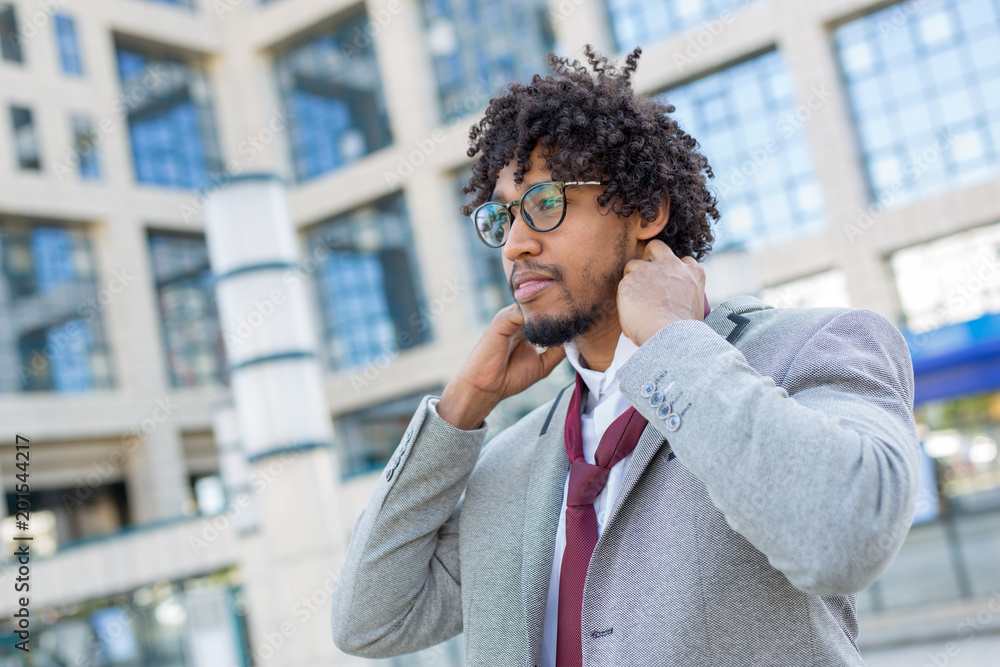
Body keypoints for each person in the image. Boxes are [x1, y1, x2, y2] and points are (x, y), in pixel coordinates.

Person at [330, 46, 919, 667]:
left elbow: (845, 538)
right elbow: (369, 623)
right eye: (503, 217)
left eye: (546, 203)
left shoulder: (814, 346)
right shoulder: (510, 458)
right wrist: (457, 413)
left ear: (647, 211)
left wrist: (667, 337)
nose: (516, 244)